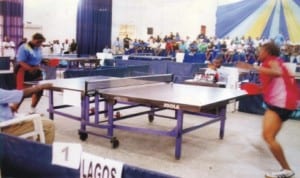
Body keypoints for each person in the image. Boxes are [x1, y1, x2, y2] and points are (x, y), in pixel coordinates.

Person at [236, 42, 298, 178]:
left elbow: (277, 72)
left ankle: (287, 170)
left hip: (281, 103)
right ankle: (285, 168)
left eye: (261, 50)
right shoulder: (273, 62)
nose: (259, 53)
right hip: (284, 103)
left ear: (267, 51)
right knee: (269, 136)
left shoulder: (273, 61)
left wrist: (251, 67)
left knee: (268, 136)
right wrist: (255, 89)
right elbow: (273, 81)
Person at [14, 33, 46, 113]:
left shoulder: (38, 48)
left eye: (41, 42)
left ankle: (32, 109)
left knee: (39, 90)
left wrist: (44, 61)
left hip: (36, 70)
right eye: (38, 42)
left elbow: (37, 58)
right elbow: (21, 61)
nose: (40, 44)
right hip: (24, 71)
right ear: (33, 39)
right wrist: (30, 69)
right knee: (23, 92)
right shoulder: (24, 47)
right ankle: (14, 110)